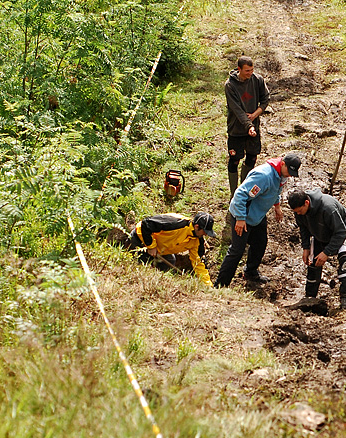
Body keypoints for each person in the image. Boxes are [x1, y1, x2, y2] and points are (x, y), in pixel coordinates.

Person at [214, 153, 301, 288]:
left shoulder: (281, 175)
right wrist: (240, 218)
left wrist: (277, 206)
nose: (289, 175)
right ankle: (221, 285)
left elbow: (275, 191)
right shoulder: (263, 176)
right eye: (289, 171)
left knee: (260, 243)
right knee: (237, 251)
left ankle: (250, 271)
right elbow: (240, 195)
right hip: (243, 215)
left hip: (257, 216)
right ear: (282, 163)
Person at [288, 188, 346, 310]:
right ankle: (310, 297)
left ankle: (345, 299)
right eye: (296, 212)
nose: (298, 214)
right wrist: (306, 247)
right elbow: (303, 228)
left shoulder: (328, 208)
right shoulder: (299, 211)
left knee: (345, 263)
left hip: (341, 231)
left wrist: (326, 252)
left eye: (300, 211)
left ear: (306, 203)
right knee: (313, 263)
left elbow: (341, 232)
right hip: (319, 233)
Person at [129, 212, 217, 286]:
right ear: (197, 227)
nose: (205, 234)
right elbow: (146, 224)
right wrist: (151, 246)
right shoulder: (175, 223)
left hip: (160, 250)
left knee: (169, 263)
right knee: (142, 269)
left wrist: (207, 285)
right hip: (141, 240)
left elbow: (199, 263)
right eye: (205, 231)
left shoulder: (197, 241)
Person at [225, 56, 270, 199]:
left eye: (252, 70)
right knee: (234, 160)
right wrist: (249, 125)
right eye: (247, 71)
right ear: (239, 69)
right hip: (236, 129)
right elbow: (237, 110)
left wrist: (255, 115)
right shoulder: (230, 85)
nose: (250, 73)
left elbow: (265, 99)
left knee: (252, 158)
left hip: (253, 128)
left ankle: (243, 191)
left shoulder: (257, 80)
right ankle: (234, 194)